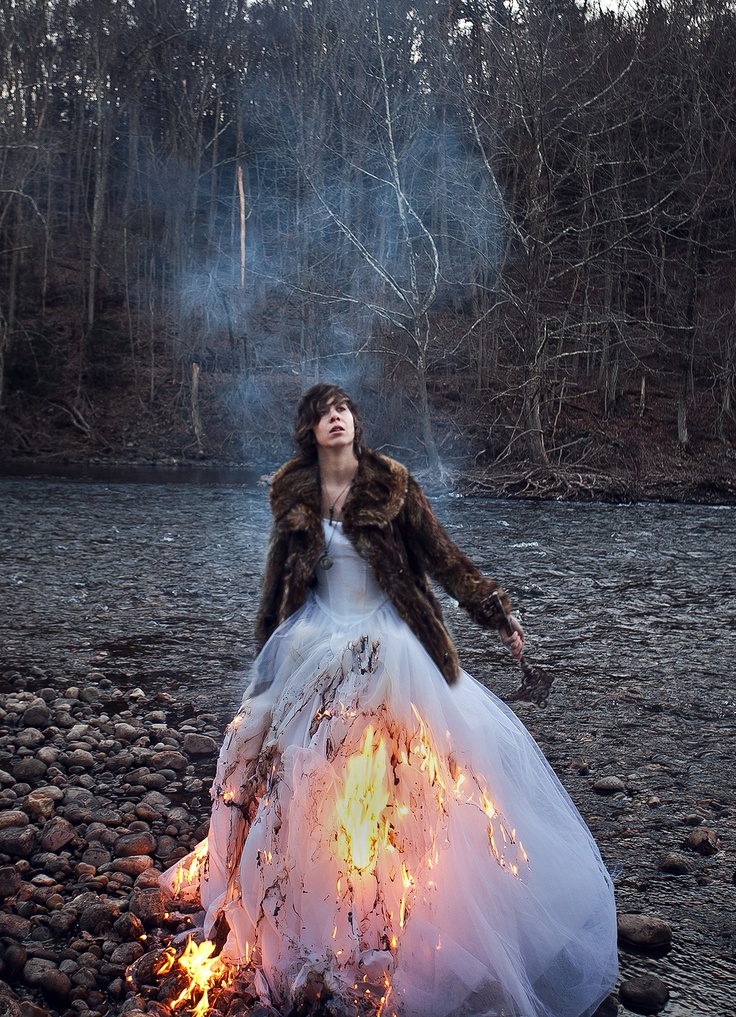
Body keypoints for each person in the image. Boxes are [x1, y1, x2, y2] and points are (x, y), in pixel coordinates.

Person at [161, 383, 618, 1017]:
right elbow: (283, 577)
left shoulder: (393, 483)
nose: (337, 418)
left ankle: (406, 917)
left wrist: (498, 613)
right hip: (315, 642)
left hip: (388, 646)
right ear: (309, 431)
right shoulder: (293, 490)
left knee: (402, 773)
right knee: (291, 770)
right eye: (324, 414)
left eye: (343, 409)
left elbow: (444, 559)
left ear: (356, 421)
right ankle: (310, 914)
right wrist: (269, 658)